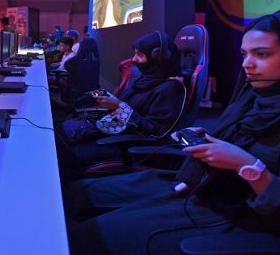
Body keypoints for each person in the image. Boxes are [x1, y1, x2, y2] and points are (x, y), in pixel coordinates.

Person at [65, 9, 280, 254]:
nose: (247, 65)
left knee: (85, 241)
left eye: (261, 54)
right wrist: (213, 144)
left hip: (251, 224)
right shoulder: (255, 100)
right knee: (75, 214)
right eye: (245, 54)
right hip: (209, 196)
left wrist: (249, 167)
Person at [56, 32, 186, 176]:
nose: (134, 59)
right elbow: (129, 107)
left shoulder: (171, 88)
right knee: (56, 131)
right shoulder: (147, 79)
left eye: (140, 55)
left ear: (158, 57)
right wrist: (110, 101)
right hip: (113, 129)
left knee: (59, 150)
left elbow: (155, 131)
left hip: (126, 143)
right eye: (135, 53)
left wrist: (118, 106)